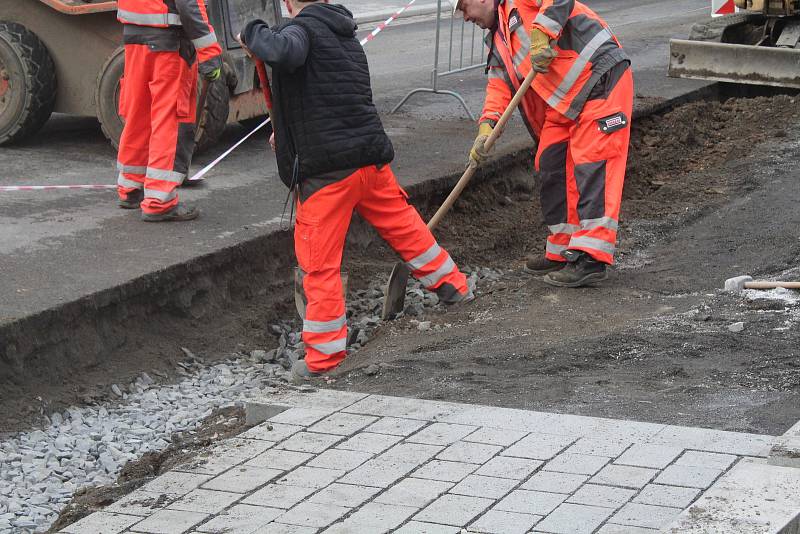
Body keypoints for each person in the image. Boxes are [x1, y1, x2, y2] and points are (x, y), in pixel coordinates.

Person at [240, 0, 473, 382]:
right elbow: (324, 96)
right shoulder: (344, 35)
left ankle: (325, 358)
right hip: (369, 160)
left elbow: (283, 53)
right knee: (407, 229)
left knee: (319, 263)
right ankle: (454, 287)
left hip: (328, 174)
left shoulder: (302, 29)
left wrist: (252, 32)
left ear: (288, 3)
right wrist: (286, 131)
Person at [456, 0, 633, 287]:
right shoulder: (499, 39)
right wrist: (486, 128)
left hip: (598, 78)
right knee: (551, 164)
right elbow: (499, 86)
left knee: (593, 162)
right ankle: (564, 249)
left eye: (464, 7)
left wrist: (542, 33)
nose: (464, 17)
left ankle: (592, 256)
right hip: (563, 102)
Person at [115, 0, 224, 221]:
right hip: (168, 43)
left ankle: (131, 187)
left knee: (139, 113)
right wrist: (210, 53)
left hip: (134, 37)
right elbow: (189, 5)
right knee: (169, 119)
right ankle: (159, 201)